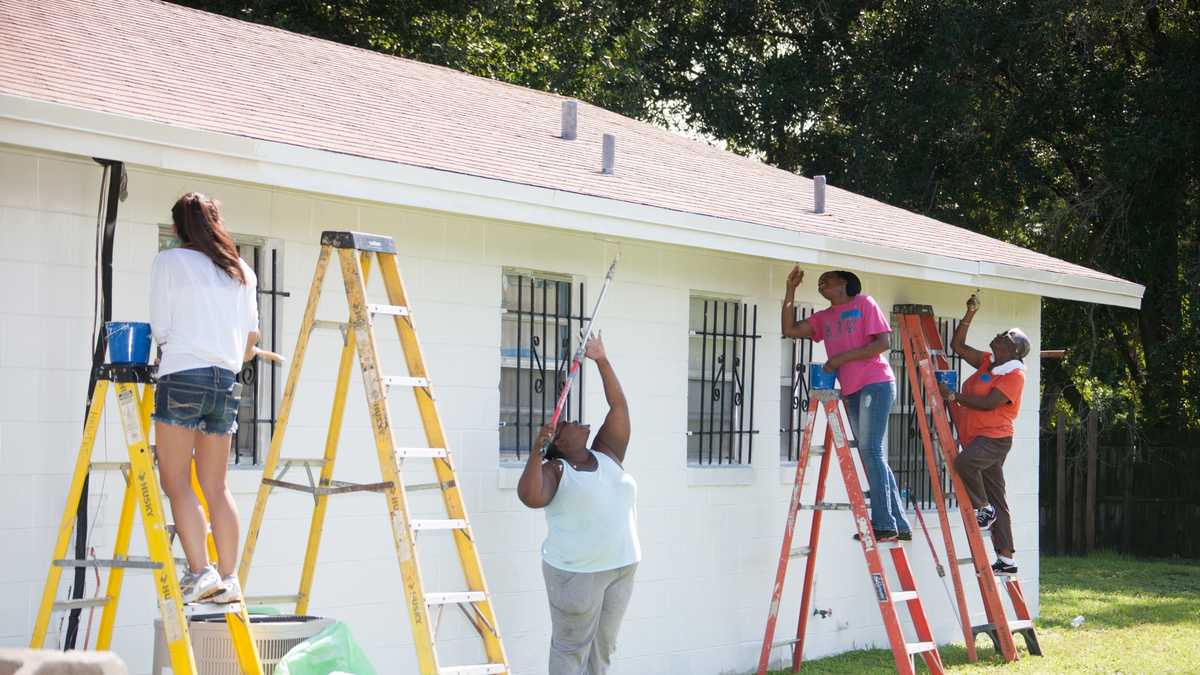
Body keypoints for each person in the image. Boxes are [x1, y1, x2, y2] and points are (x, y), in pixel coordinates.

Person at [150, 192, 276, 604]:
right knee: (216, 486)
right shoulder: (242, 271)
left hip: (183, 374)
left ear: (177, 228)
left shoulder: (170, 261)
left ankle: (201, 572)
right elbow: (250, 341)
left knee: (175, 481)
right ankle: (229, 578)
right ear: (217, 223)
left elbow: (162, 329)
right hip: (225, 380)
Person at [517, 334, 637, 675]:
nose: (572, 420)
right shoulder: (556, 470)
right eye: (564, 424)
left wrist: (601, 359)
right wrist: (536, 452)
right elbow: (530, 496)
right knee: (571, 652)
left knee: (603, 652)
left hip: (621, 566)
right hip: (576, 575)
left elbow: (619, 407)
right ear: (559, 443)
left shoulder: (607, 452)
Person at [782, 266, 913, 542]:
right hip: (852, 390)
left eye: (825, 280)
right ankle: (898, 523)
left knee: (871, 450)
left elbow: (882, 343)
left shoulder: (864, 303)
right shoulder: (825, 317)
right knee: (870, 453)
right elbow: (790, 329)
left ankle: (884, 524)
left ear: (844, 283)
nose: (820, 284)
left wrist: (838, 361)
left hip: (875, 383)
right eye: (818, 283)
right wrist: (790, 289)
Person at [937, 293, 1031, 575]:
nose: (999, 336)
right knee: (998, 496)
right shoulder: (989, 362)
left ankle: (982, 509)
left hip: (995, 439)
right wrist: (970, 312)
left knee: (965, 464)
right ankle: (1006, 560)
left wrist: (955, 397)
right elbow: (957, 346)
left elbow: (990, 403)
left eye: (1005, 337)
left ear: (1013, 350)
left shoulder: (1014, 375)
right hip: (978, 438)